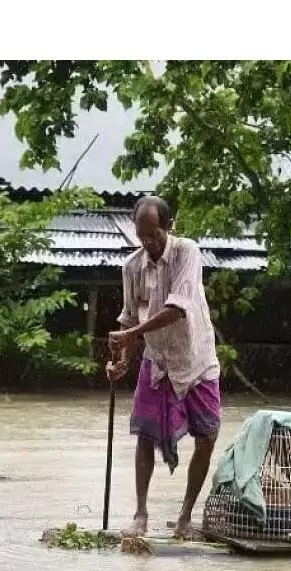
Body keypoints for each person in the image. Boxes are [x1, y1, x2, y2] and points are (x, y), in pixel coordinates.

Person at [105, 196, 222, 541]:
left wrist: (131, 334)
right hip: (157, 361)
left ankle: (185, 517)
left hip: (195, 358)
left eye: (154, 235)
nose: (148, 244)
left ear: (169, 227)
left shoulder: (187, 252)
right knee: (144, 434)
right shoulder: (132, 267)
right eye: (141, 237)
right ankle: (140, 514)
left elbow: (178, 307)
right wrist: (121, 360)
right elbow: (128, 316)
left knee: (207, 436)